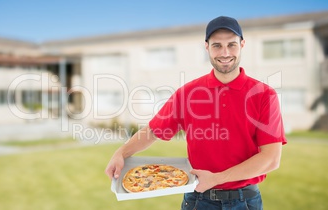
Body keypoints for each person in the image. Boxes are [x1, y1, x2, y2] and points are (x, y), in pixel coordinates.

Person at [105, 16, 287, 210]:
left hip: (245, 201)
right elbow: (152, 131)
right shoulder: (188, 94)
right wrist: (121, 153)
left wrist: (217, 179)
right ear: (206, 47)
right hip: (198, 201)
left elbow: (271, 159)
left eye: (231, 45)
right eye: (217, 45)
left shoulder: (264, 95)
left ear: (242, 45)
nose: (225, 53)